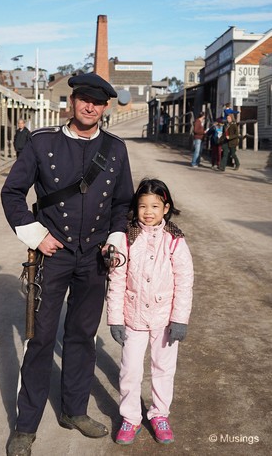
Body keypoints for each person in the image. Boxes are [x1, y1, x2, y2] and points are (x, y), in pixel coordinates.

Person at [1, 72, 134, 456]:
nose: (90, 106)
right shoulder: (42, 143)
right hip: (52, 256)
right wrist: (34, 234)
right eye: (83, 99)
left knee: (82, 336)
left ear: (106, 107)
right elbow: (12, 192)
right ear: (72, 102)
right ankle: (25, 426)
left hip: (94, 257)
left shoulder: (116, 148)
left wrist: (113, 238)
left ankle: (74, 410)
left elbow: (123, 202)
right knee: (40, 338)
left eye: (98, 102)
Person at [106, 178, 194, 446]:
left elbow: (184, 280)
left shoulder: (175, 240)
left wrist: (179, 319)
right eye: (143, 206)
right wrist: (115, 319)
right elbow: (117, 279)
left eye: (155, 206)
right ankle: (130, 418)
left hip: (165, 319)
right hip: (132, 318)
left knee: (163, 368)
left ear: (165, 208)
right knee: (130, 370)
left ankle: (159, 414)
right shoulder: (126, 238)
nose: (148, 212)